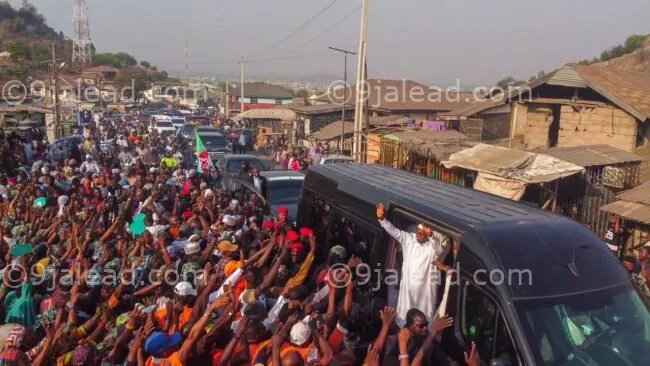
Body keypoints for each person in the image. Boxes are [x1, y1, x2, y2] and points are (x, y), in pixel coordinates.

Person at [376, 203, 450, 325]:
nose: (419, 235)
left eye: (422, 233)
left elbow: (440, 250)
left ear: (427, 234)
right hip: (407, 294)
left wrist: (431, 236)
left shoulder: (432, 247)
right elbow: (393, 231)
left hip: (425, 295)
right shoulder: (408, 239)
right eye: (418, 232)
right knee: (404, 321)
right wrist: (382, 219)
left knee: (423, 322)